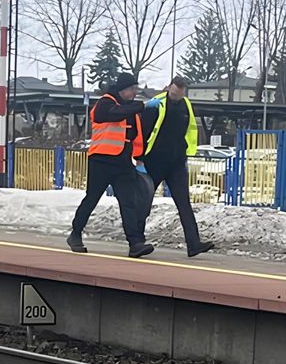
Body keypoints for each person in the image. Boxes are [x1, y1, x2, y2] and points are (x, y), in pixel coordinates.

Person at [69, 72, 161, 258]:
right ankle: (75, 233)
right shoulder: (105, 103)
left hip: (122, 163)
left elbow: (135, 137)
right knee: (92, 198)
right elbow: (114, 114)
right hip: (101, 161)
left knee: (129, 202)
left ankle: (135, 243)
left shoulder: (130, 109)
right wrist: (142, 106)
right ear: (123, 89)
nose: (135, 93)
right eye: (132, 89)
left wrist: (139, 159)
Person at [139, 76, 215, 257]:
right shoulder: (156, 104)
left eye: (181, 91)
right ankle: (137, 241)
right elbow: (143, 131)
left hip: (177, 162)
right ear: (169, 87)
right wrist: (139, 158)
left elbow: (190, 129)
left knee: (184, 203)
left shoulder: (186, 105)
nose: (178, 94)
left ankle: (194, 244)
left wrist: (187, 153)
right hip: (155, 161)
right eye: (175, 90)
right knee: (144, 202)